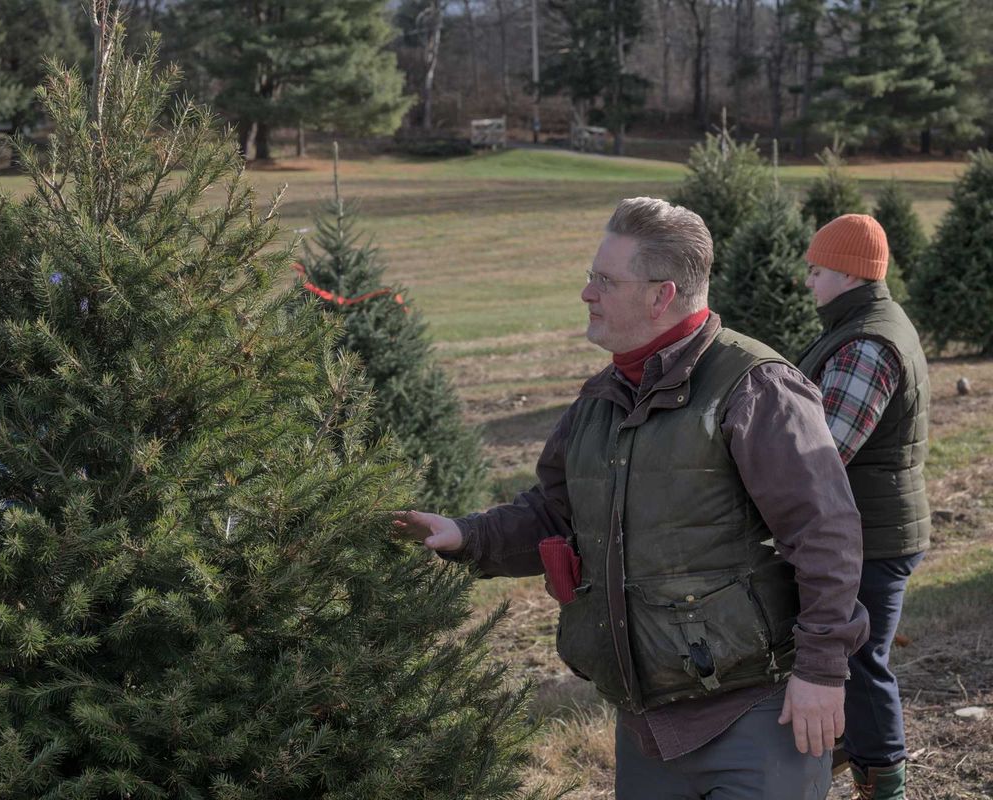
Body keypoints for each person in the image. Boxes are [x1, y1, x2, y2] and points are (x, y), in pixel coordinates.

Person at [395, 197, 868, 800]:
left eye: (603, 280)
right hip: (648, 725)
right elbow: (555, 513)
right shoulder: (601, 400)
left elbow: (825, 533)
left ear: (660, 295)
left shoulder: (755, 389)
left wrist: (822, 670)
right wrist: (468, 536)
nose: (587, 293)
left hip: (757, 712)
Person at [798, 214, 930, 800]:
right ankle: (840, 756)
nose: (808, 282)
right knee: (854, 658)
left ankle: (884, 785)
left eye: (816, 270)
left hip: (873, 534)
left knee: (860, 663)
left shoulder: (866, 345)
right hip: (870, 527)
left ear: (847, 274)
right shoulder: (860, 324)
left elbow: (823, 451)